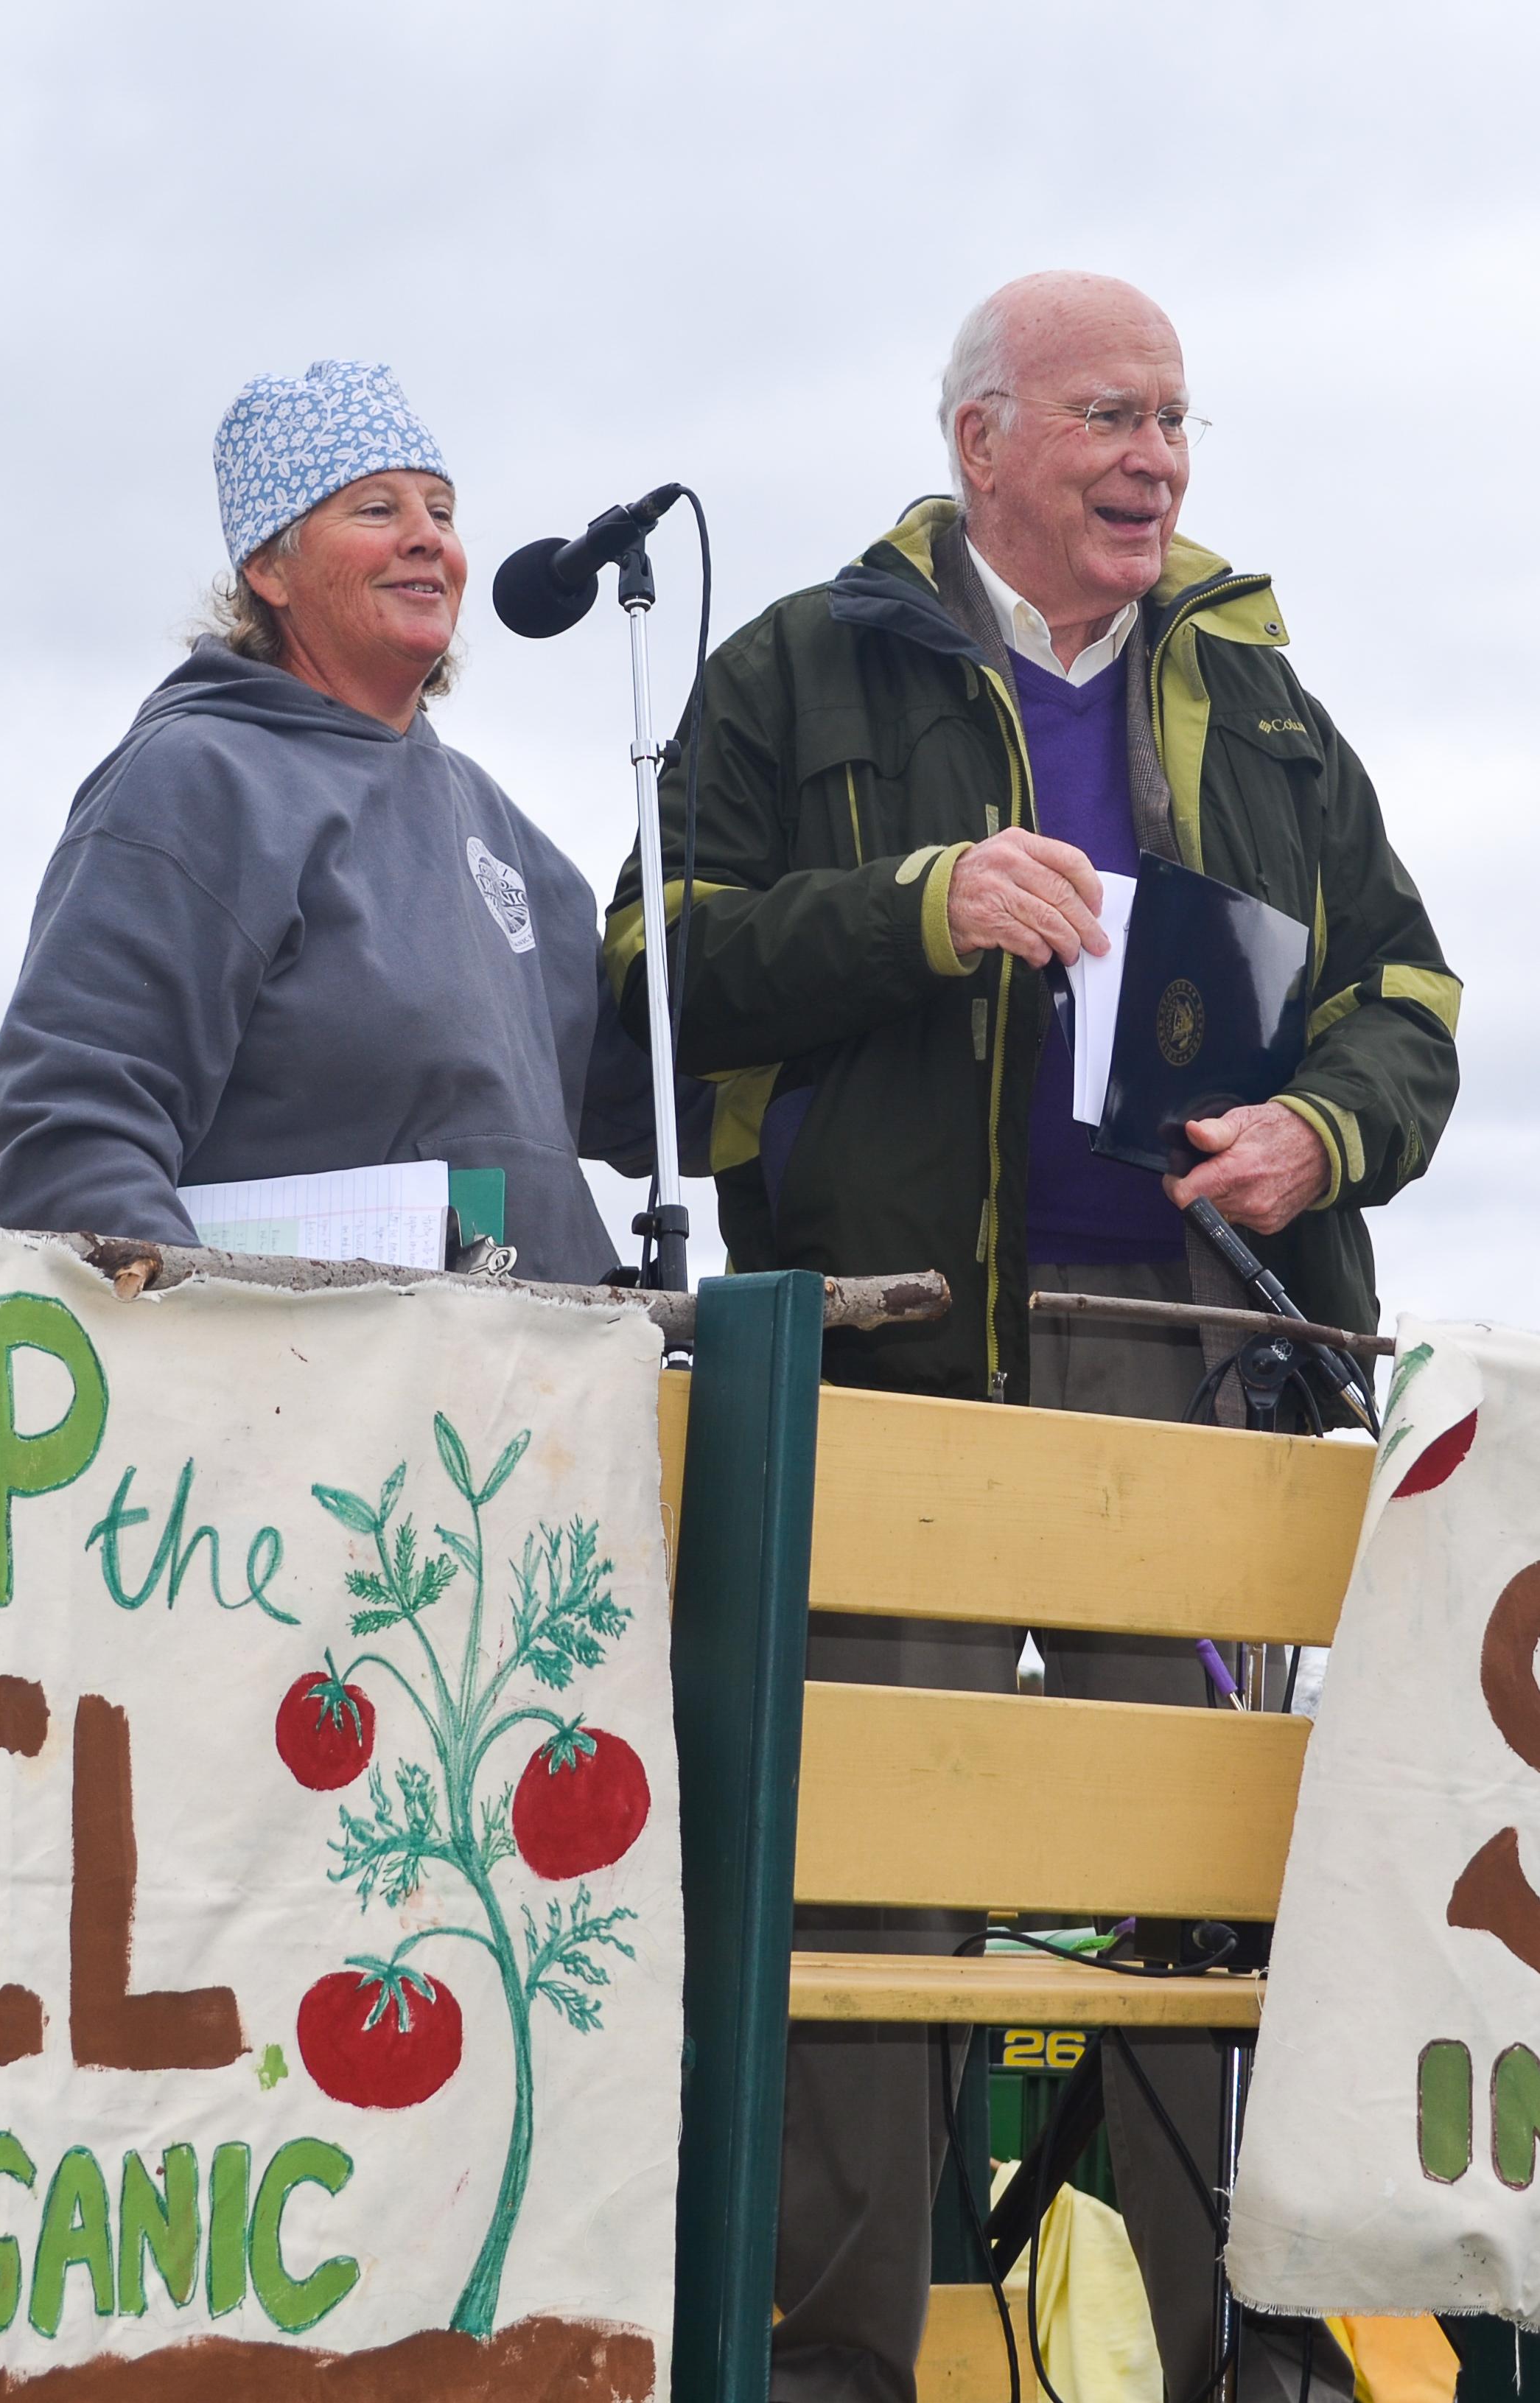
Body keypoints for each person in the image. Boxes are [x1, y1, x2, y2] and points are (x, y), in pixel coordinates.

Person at [609, 273, 1459, 2401]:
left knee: (1192, 1886)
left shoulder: (1264, 705)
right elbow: (644, 976)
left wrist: (1312, 1127)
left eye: (1172, 420)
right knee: (867, 1878)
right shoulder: (795, 665)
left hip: (1185, 1357)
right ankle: (831, 2360)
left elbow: (1414, 1003)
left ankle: (1229, 2349)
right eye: (1104, 414)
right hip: (889, 1359)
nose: (1151, 458)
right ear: (979, 440)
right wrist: (917, 902)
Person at [0, 357, 647, 1284]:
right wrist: (231, 1352)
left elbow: (657, 1094)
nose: (428, 540)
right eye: (377, 510)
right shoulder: (196, 781)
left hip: (544, 1400)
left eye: (442, 514)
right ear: (269, 568)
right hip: (310, 1405)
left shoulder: (494, 823)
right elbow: (62, 1140)